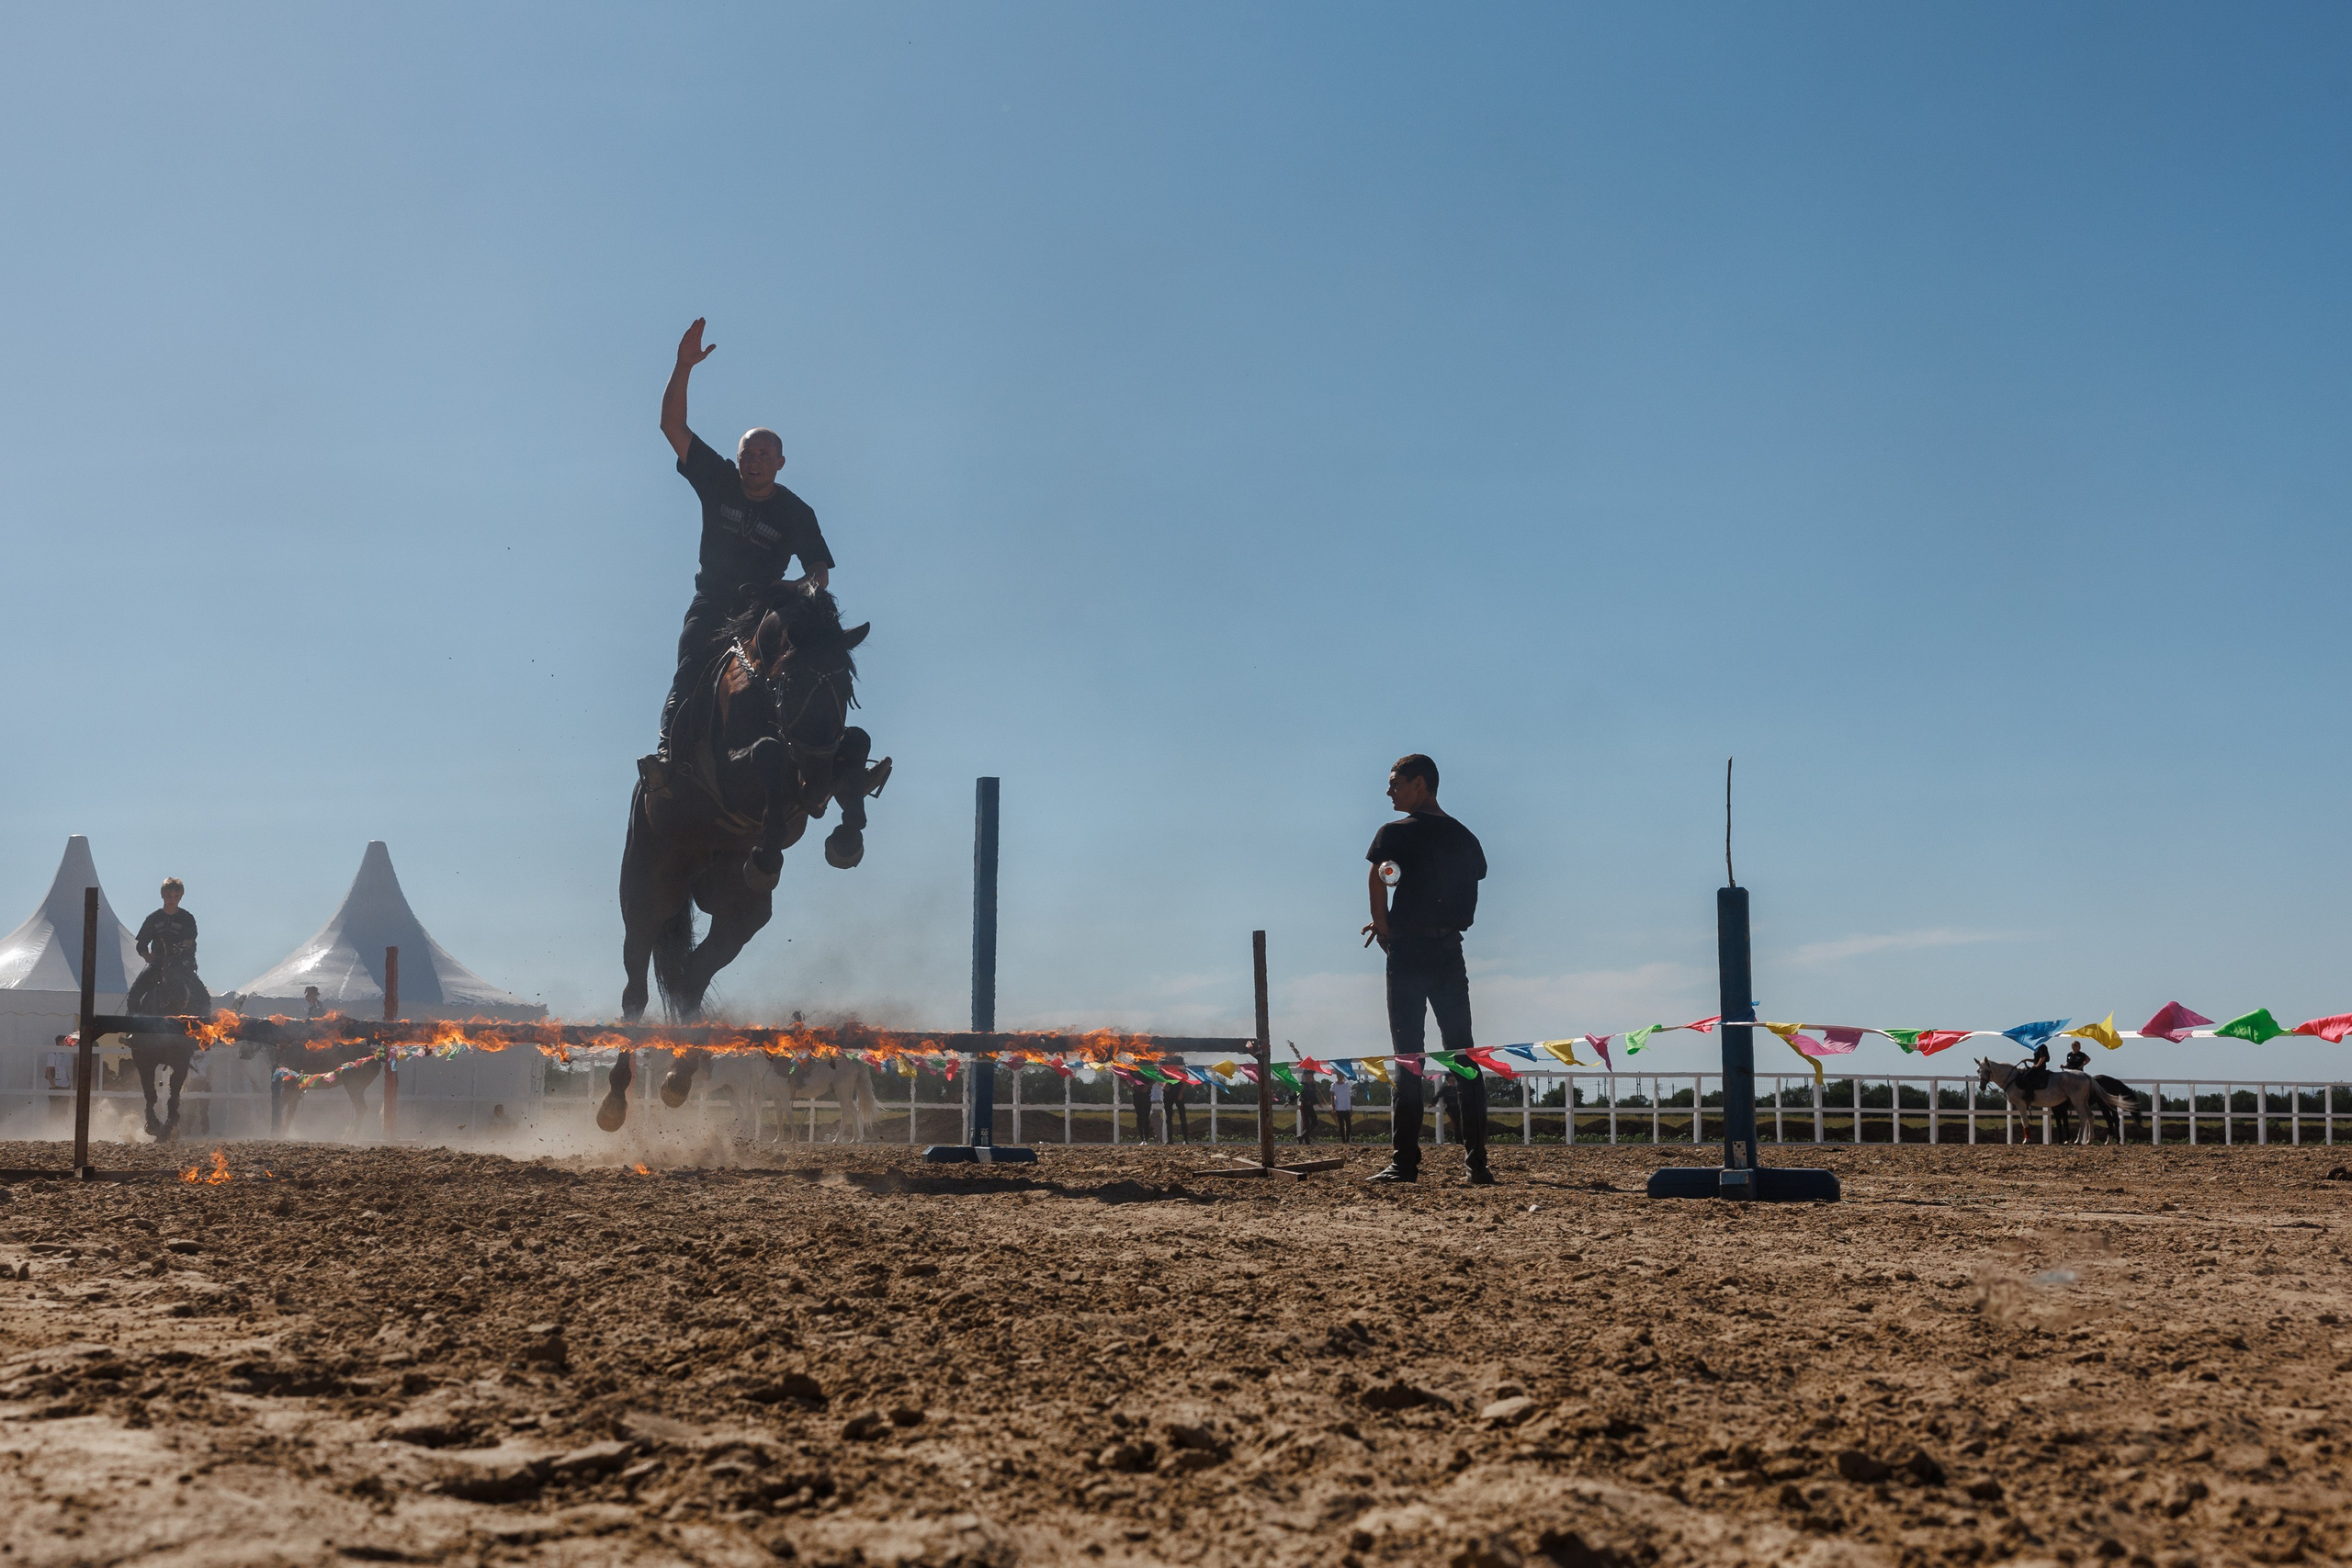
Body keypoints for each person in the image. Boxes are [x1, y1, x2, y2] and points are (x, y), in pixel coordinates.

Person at [645, 318, 836, 781]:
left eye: (764, 456)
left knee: (816, 660)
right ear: (738, 458)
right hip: (712, 604)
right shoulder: (718, 480)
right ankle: (668, 760)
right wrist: (683, 366)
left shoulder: (795, 511)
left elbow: (819, 572)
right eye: (748, 454)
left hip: (763, 614)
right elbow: (672, 425)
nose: (754, 463)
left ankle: (827, 761)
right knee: (690, 668)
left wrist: (797, 587)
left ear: (781, 464)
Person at [1362, 755, 1490, 1186]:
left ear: (1420, 783)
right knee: (1464, 1056)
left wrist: (1385, 927)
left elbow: (1379, 878)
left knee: (1409, 1058)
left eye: (1395, 782)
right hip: (1449, 950)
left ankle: (1405, 1164)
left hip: (1410, 953)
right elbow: (1464, 881)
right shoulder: (1465, 836)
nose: (1389, 791)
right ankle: (1477, 1165)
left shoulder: (1394, 834)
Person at [127, 877, 205, 1014]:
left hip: (181, 963)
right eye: (169, 896)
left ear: (181, 897)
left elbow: (190, 938)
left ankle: (202, 1026)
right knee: (134, 994)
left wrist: (181, 948)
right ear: (162, 895)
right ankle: (135, 1026)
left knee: (203, 997)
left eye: (176, 896)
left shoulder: (187, 918)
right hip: (158, 962)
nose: (172, 899)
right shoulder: (153, 918)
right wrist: (146, 955)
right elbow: (142, 943)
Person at [1331, 1073, 1354, 1144]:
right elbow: (1332, 1096)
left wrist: (1351, 1107)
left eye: (1341, 1075)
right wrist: (1333, 1106)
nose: (1340, 1077)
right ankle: (1343, 1140)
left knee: (1348, 1124)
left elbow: (1348, 1096)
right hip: (1338, 1107)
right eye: (1339, 1075)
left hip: (1346, 1107)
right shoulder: (1334, 1085)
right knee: (1341, 1125)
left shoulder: (1347, 1085)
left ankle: (1348, 1139)